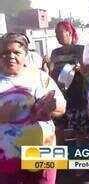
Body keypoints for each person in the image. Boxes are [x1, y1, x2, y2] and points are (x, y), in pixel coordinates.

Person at [0, 33, 66, 183]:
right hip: (6, 156)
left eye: (16, 52)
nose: (10, 56)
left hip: (43, 151)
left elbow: (62, 108)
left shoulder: (40, 77)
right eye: (5, 52)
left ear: (26, 54)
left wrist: (50, 107)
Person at [49, 20, 89, 145]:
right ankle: (62, 160)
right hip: (60, 96)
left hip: (77, 96)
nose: (57, 35)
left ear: (69, 32)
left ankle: (81, 161)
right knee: (58, 130)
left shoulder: (81, 50)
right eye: (55, 32)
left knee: (81, 132)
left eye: (59, 32)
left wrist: (82, 69)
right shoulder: (54, 53)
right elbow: (52, 74)